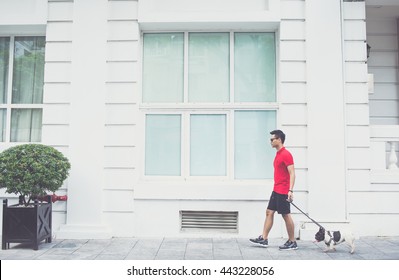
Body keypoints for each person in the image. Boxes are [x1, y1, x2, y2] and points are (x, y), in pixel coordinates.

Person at [250, 129, 297, 250]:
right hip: (276, 189)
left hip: (283, 190)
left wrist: (290, 191)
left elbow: (292, 173)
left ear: (279, 140)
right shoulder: (278, 153)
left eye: (272, 139)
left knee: (286, 215)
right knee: (269, 212)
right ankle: (264, 238)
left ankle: (292, 241)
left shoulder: (286, 154)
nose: (270, 141)